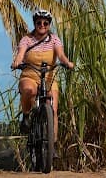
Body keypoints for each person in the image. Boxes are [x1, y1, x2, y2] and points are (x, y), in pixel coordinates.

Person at [10, 9, 74, 143]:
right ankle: (26, 116)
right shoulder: (27, 39)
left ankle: (52, 144)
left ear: (49, 25)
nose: (42, 25)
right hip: (30, 75)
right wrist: (17, 61)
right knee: (29, 90)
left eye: (46, 23)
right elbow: (21, 54)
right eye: (39, 23)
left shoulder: (54, 39)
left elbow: (60, 55)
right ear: (35, 23)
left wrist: (67, 62)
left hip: (49, 77)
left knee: (53, 109)